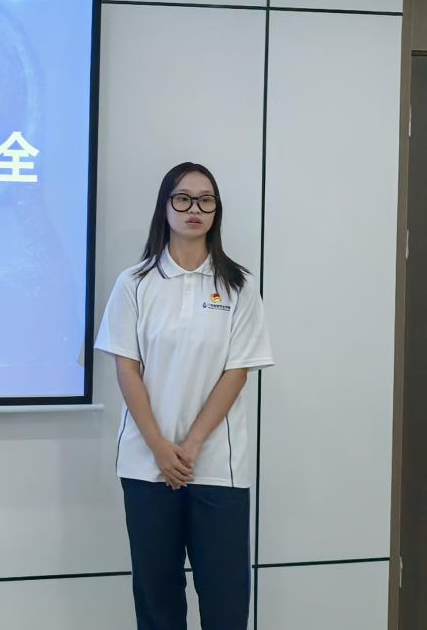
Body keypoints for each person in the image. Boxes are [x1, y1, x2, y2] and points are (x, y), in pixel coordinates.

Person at [95, 162, 274, 630]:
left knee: (225, 600)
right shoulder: (135, 283)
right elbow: (127, 369)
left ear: (216, 210)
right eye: (183, 198)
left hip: (216, 465)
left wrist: (190, 446)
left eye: (205, 199)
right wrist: (159, 446)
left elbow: (237, 372)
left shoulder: (239, 285)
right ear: (165, 206)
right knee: (157, 599)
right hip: (147, 465)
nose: (195, 208)